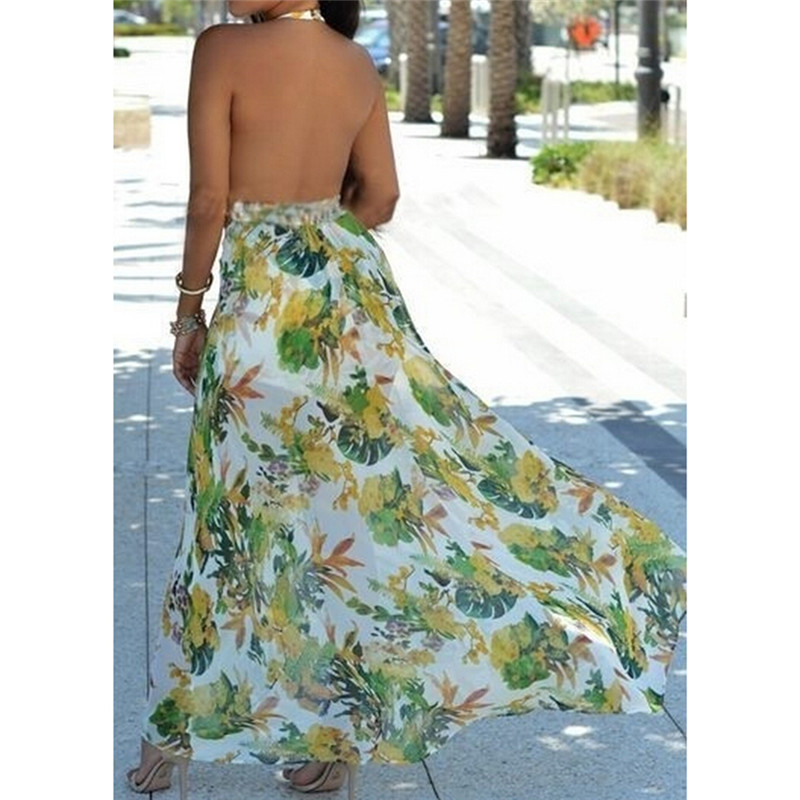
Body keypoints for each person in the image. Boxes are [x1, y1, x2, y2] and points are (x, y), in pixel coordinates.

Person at [127, 2, 687, 799]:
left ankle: (168, 744)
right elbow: (382, 196)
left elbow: (209, 201)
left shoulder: (222, 49)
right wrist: (315, 244)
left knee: (231, 524)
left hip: (258, 322)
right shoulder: (354, 63)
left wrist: (189, 312)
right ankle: (329, 752)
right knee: (346, 520)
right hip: (347, 315)